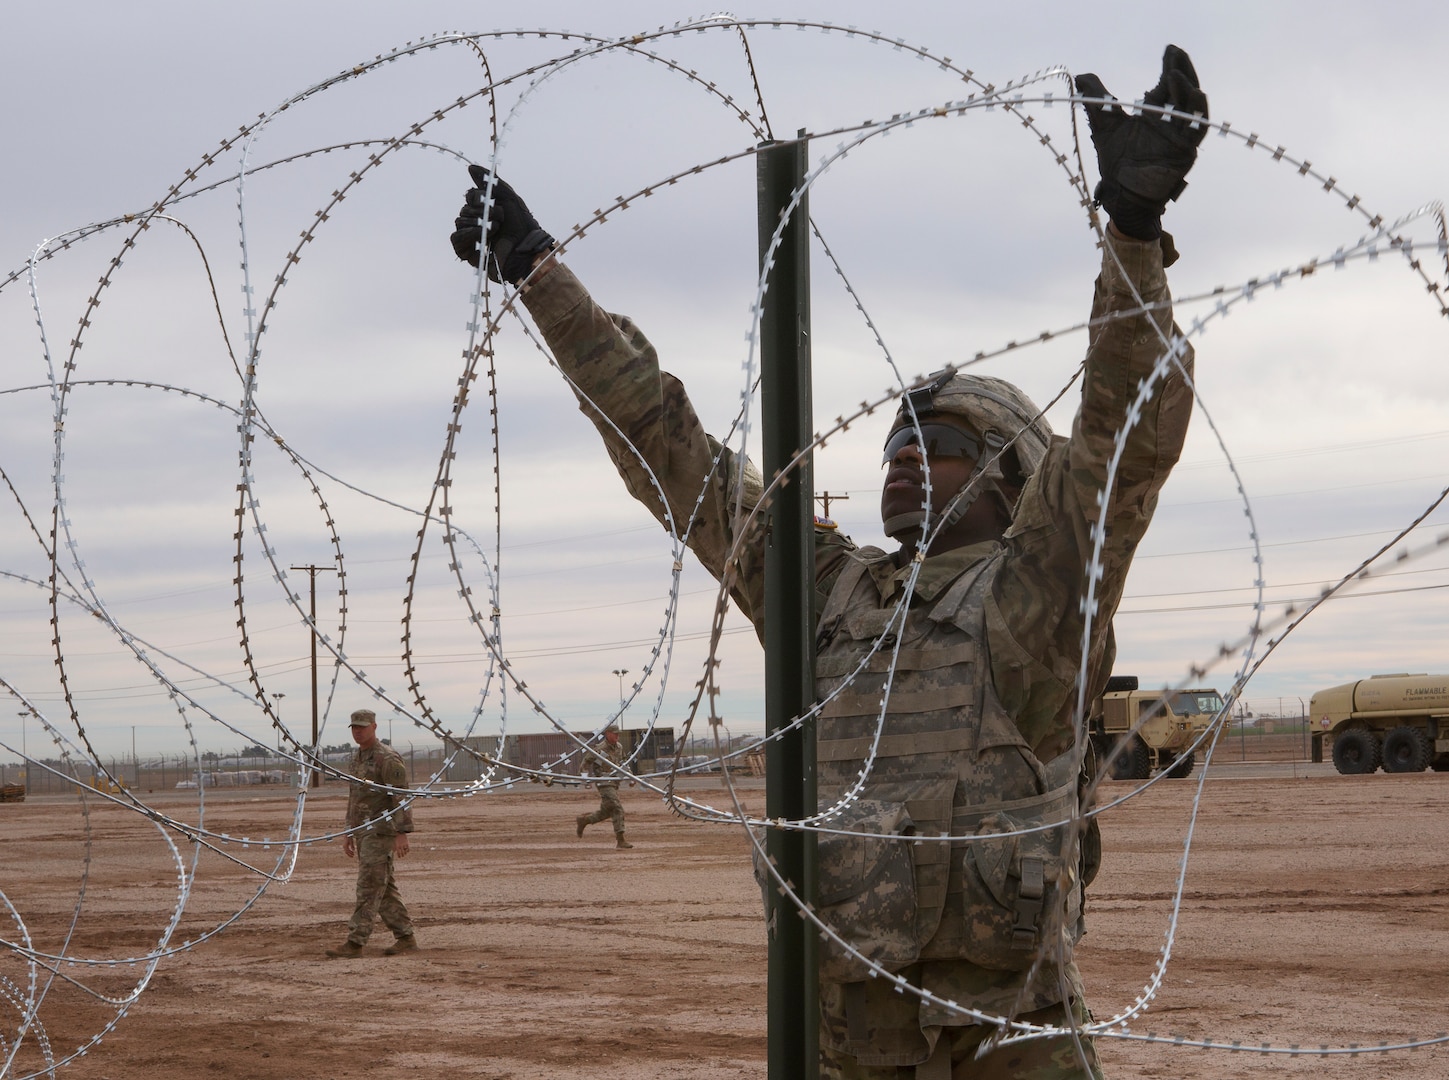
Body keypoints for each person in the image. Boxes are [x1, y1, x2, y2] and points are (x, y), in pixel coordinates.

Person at [450, 45, 1206, 1079]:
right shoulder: (826, 596)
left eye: (935, 449)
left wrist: (1131, 232)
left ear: (1010, 479)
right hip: (843, 1036)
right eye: (893, 448)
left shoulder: (1036, 596)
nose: (901, 465)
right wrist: (541, 277)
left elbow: (1124, 438)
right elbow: (664, 445)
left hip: (1007, 1038)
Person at [325, 709, 418, 958]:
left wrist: (401, 832)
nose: (358, 731)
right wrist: (349, 831)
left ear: (374, 727)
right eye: (354, 727)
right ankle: (406, 937)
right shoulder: (356, 758)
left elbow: (401, 797)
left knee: (368, 886)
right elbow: (354, 797)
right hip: (363, 831)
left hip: (381, 832)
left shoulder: (386, 758)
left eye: (362, 727)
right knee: (383, 887)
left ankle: (355, 942)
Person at [575, 724, 633, 849]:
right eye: (615, 733)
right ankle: (620, 840)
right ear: (607, 733)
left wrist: (630, 777)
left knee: (606, 812)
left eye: (618, 733)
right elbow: (585, 763)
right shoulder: (599, 749)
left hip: (614, 783)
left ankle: (584, 821)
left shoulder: (619, 747)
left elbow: (624, 763)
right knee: (617, 808)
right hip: (604, 783)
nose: (617, 736)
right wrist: (586, 779)